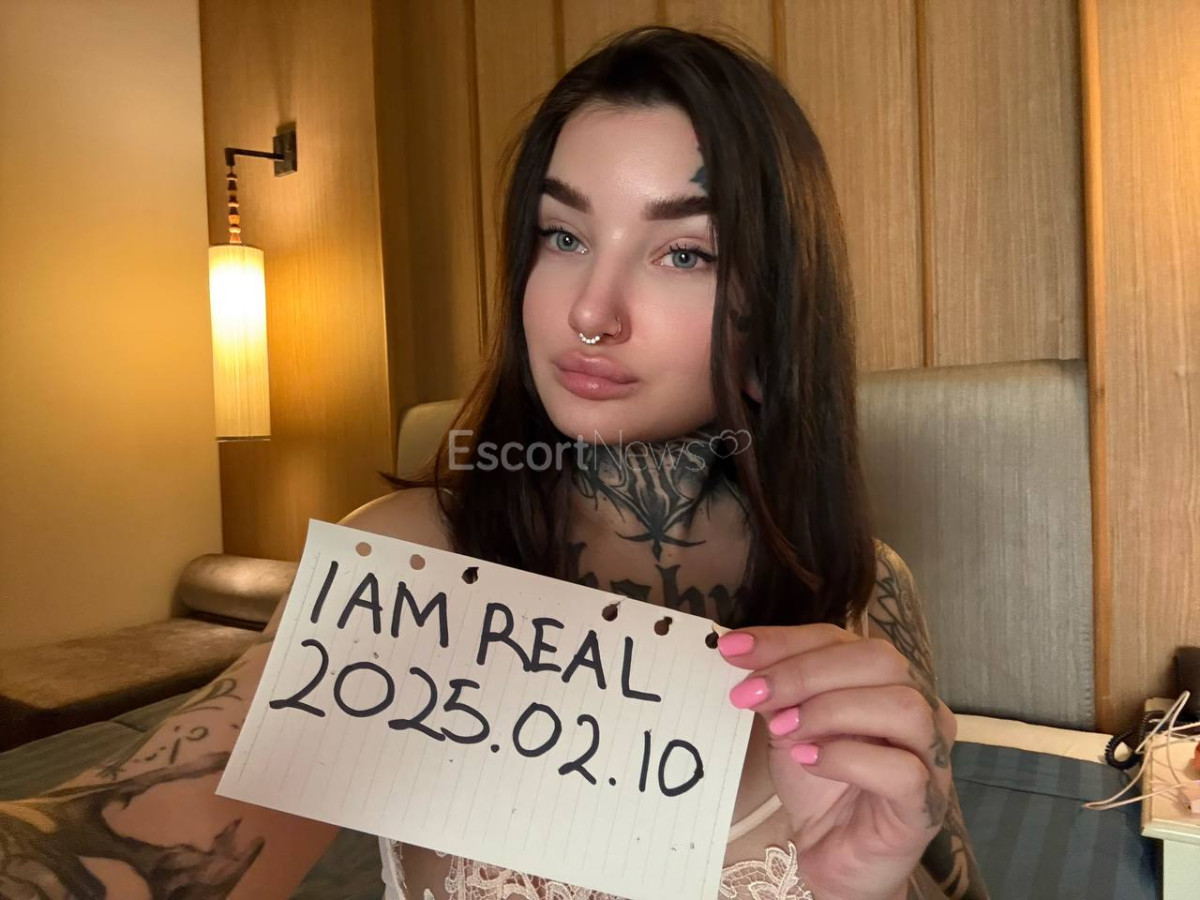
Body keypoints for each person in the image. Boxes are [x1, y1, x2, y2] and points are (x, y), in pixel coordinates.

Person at [0, 25, 988, 900]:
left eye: (685, 253)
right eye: (563, 235)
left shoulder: (868, 588)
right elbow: (132, 835)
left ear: (775, 314)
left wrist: (865, 889)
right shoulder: (411, 562)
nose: (589, 311)